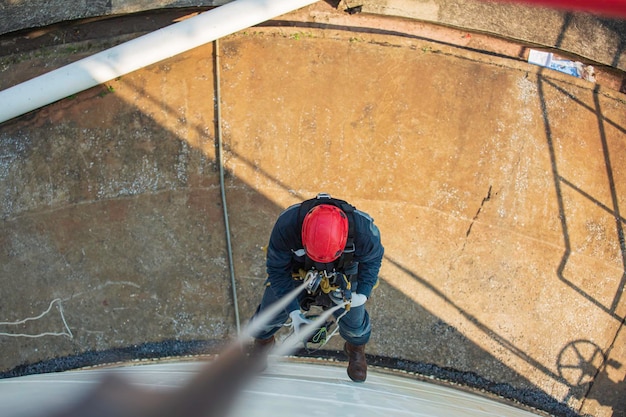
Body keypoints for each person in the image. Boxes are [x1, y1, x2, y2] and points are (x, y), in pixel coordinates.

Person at [250, 193, 384, 382]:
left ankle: (356, 349)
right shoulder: (287, 225)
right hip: (298, 270)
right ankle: (263, 342)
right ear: (303, 233)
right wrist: (294, 313)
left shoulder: (364, 230)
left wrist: (362, 294)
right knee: (268, 314)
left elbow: (372, 261)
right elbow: (277, 271)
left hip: (344, 272)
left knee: (355, 323)